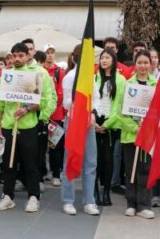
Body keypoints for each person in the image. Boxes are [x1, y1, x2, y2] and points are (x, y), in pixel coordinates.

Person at [0, 42, 58, 213]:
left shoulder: (37, 74)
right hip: (8, 125)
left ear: (28, 56)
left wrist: (27, 109)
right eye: (14, 56)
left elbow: (44, 100)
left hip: (29, 126)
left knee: (31, 164)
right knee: (8, 164)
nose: (17, 59)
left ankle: (33, 197)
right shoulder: (7, 75)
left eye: (21, 55)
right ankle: (8, 196)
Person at [60, 45, 101, 217]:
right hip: (74, 122)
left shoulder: (90, 77)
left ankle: (89, 200)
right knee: (70, 160)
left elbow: (96, 97)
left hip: (88, 123)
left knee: (90, 162)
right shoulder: (70, 77)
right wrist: (79, 103)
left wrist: (93, 113)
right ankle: (68, 200)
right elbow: (66, 103)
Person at [113, 50, 155, 219]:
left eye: (146, 62)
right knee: (131, 170)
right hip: (130, 136)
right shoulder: (127, 85)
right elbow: (119, 112)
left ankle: (144, 205)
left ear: (150, 64)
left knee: (145, 170)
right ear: (135, 64)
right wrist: (134, 128)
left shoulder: (156, 85)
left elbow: (159, 111)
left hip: (148, 137)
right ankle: (131, 203)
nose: (143, 66)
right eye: (140, 62)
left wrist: (148, 125)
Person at [93, 49, 125, 206]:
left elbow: (119, 106)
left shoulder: (121, 80)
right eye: (102, 58)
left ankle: (106, 191)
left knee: (108, 159)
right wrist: (94, 121)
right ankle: (94, 191)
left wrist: (107, 124)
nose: (104, 60)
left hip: (110, 124)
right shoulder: (94, 77)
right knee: (95, 159)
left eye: (107, 57)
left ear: (113, 60)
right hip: (94, 120)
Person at [41, 45, 66, 187]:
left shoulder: (59, 72)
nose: (50, 55)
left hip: (56, 116)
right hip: (42, 115)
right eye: (47, 52)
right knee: (41, 146)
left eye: (52, 52)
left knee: (55, 146)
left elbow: (60, 94)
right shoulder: (41, 70)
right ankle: (43, 172)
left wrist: (50, 109)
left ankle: (56, 174)